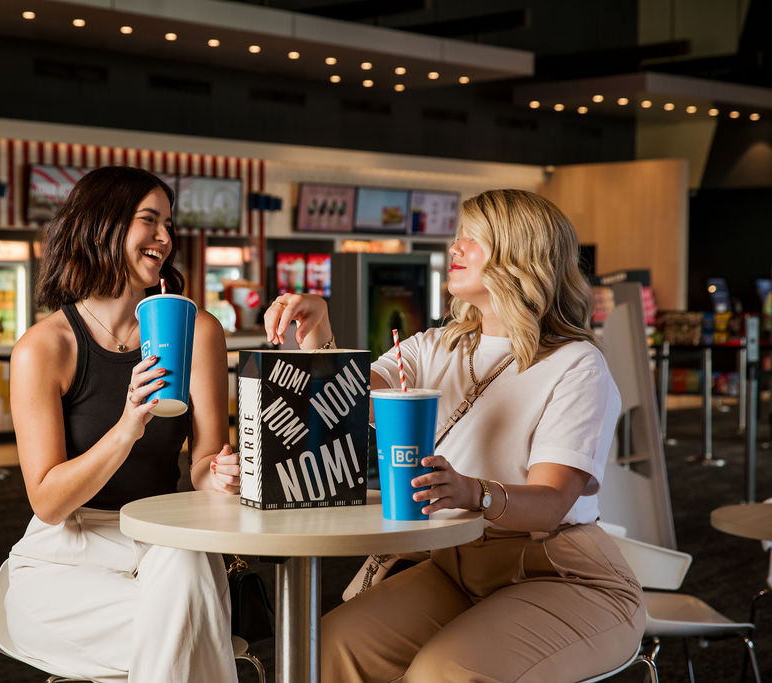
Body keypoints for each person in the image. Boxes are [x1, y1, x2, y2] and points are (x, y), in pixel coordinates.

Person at [264, 189, 645, 682]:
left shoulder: (576, 364)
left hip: (563, 572)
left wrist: (470, 491)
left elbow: (552, 502)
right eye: (458, 236)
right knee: (326, 648)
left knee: (443, 673)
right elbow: (343, 404)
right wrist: (317, 331)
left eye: (473, 238)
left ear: (519, 256)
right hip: (456, 566)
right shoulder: (433, 346)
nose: (455, 248)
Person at [5, 166, 240, 683]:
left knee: (182, 569)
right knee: (189, 629)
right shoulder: (44, 349)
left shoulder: (198, 332)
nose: (165, 238)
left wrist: (220, 474)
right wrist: (127, 427)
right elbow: (48, 503)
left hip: (163, 540)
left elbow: (203, 465)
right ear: (101, 226)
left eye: (168, 224)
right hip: (67, 557)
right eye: (149, 220)